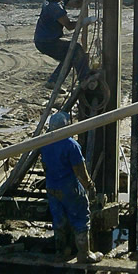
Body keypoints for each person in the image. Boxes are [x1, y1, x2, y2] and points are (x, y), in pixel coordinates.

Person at [40, 111, 102, 263]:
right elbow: (80, 170)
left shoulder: (44, 142)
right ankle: (84, 254)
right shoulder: (71, 145)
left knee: (58, 219)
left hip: (51, 186)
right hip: (69, 188)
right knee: (81, 217)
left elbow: (45, 165)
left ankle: (61, 252)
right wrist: (89, 185)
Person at [34, 0, 91, 89]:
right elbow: (69, 26)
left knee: (68, 58)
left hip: (45, 39)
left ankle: (53, 81)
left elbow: (72, 3)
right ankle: (85, 78)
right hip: (46, 42)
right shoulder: (54, 7)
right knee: (76, 49)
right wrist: (84, 21)